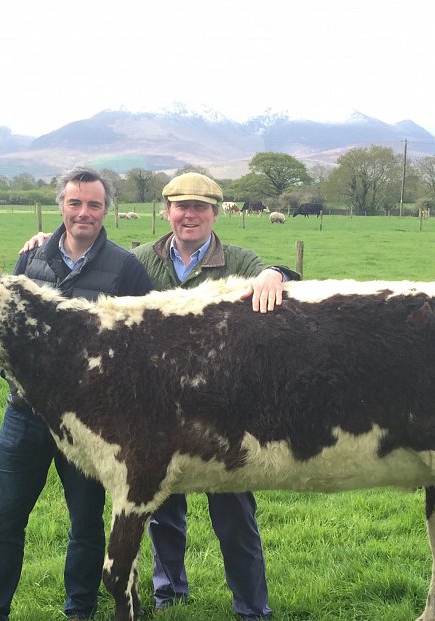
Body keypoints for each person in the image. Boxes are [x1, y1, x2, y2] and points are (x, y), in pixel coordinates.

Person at [19, 172, 299, 620]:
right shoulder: (142, 262)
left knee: (234, 513)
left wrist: (275, 273)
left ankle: (251, 607)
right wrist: (47, 242)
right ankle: (170, 592)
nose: (189, 215)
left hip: (223, 415)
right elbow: (95, 267)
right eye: (181, 207)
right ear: (167, 212)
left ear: (215, 214)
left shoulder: (239, 260)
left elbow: (278, 275)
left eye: (200, 208)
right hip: (160, 413)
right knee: (161, 508)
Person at [0, 165, 152, 621]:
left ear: (106, 209)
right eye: (75, 203)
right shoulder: (32, 259)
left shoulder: (126, 268)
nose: (83, 213)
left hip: (92, 424)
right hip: (26, 417)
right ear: (61, 207)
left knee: (87, 527)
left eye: (94, 204)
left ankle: (80, 612)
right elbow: (5, 332)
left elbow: (145, 346)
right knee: (4, 525)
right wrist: (17, 384)